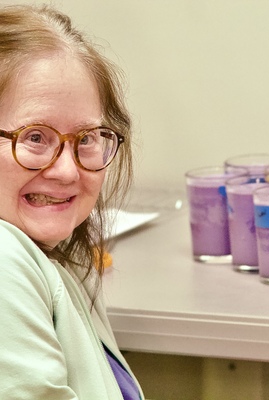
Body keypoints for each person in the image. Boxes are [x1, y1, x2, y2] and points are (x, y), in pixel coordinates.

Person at [0, 4, 144, 399]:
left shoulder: (52, 259)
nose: (67, 171)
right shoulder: (3, 260)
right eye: (34, 137)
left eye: (86, 138)